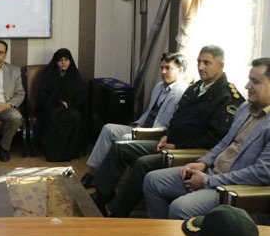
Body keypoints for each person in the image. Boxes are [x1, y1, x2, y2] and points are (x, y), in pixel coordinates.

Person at [90, 45, 244, 217]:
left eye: (206, 63)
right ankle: (101, 197)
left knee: (143, 163)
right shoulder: (196, 88)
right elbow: (177, 118)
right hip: (169, 143)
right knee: (121, 147)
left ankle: (117, 214)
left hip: (188, 152)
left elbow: (214, 139)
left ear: (221, 65)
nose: (201, 67)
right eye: (199, 62)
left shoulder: (227, 97)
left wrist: (177, 145)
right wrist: (166, 135)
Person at [144, 57, 270, 219]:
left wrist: (209, 181)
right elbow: (224, 142)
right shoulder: (245, 108)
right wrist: (203, 162)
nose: (247, 86)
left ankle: (178, 235)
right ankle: (161, 231)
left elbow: (261, 173)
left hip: (233, 187)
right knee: (153, 181)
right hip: (211, 171)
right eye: (249, 80)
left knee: (180, 208)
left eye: (255, 82)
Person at [81, 52, 188, 187]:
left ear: (180, 70)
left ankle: (106, 184)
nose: (163, 72)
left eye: (168, 68)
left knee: (124, 139)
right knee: (108, 129)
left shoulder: (181, 91)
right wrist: (138, 124)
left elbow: (167, 125)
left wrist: (143, 131)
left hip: (156, 135)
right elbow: (149, 112)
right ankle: (93, 173)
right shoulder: (159, 87)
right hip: (143, 128)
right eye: (162, 68)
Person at [36, 48, 88, 162]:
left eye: (66, 60)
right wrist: (58, 102)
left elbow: (81, 95)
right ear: (56, 62)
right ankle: (54, 153)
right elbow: (43, 95)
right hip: (52, 106)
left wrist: (69, 103)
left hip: (71, 107)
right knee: (54, 115)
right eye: (60, 60)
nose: (63, 62)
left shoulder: (74, 75)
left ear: (70, 61)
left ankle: (71, 152)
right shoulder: (49, 75)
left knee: (76, 116)